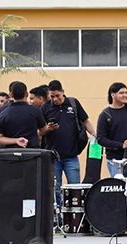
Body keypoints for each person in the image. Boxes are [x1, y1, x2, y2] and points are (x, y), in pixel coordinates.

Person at [43, 80, 90, 214]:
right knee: (55, 189)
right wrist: (48, 128)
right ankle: (58, 218)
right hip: (53, 156)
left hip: (71, 156)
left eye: (57, 95)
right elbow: (39, 131)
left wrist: (95, 134)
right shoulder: (46, 107)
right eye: (52, 96)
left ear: (63, 92)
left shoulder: (73, 103)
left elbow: (85, 121)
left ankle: (76, 216)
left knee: (75, 187)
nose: (55, 99)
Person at [95, 82, 127, 179]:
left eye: (126, 92)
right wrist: (121, 145)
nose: (125, 95)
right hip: (114, 160)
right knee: (118, 187)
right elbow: (101, 139)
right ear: (113, 94)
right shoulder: (105, 115)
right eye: (121, 93)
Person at [0, 81, 44, 152]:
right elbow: (43, 130)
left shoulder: (2, 112)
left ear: (10, 94)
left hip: (9, 154)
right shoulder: (35, 111)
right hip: (31, 153)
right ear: (26, 94)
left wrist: (16, 140)